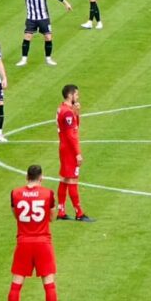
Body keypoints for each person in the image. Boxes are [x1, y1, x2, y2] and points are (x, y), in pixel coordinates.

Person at [7, 163, 64, 301]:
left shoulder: (15, 193)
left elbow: (15, 214)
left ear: (26, 177)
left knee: (17, 282)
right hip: (43, 242)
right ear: (41, 177)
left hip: (23, 241)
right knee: (49, 282)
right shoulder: (48, 193)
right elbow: (53, 217)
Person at [0, 0, 72, 66]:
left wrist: (66, 3)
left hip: (43, 17)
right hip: (31, 17)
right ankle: (24, 59)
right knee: (27, 36)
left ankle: (48, 59)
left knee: (48, 37)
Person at [56, 84, 91, 221]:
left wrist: (77, 113)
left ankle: (61, 211)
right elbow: (72, 134)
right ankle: (79, 213)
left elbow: (75, 126)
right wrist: (77, 153)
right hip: (69, 149)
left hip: (63, 147)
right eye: (76, 94)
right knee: (72, 180)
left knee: (64, 179)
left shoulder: (62, 109)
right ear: (70, 95)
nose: (78, 97)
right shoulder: (68, 112)